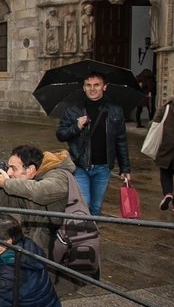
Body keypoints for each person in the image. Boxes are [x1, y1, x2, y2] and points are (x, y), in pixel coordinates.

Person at [0, 144, 108, 307]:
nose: (9, 172)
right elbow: (5, 210)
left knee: (47, 301)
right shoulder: (27, 181)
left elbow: (40, 192)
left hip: (65, 251)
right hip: (41, 248)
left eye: (13, 168)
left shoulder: (59, 176)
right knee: (21, 290)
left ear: (31, 169)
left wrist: (8, 183)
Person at [56, 71, 132, 217]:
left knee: (96, 208)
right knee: (84, 204)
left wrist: (125, 168)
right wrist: (76, 127)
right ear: (84, 87)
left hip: (103, 167)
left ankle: (91, 237)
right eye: (88, 85)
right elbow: (61, 135)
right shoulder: (73, 110)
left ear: (104, 87)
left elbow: (121, 141)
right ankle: (82, 237)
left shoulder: (115, 111)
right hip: (80, 166)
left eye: (96, 85)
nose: (92, 89)